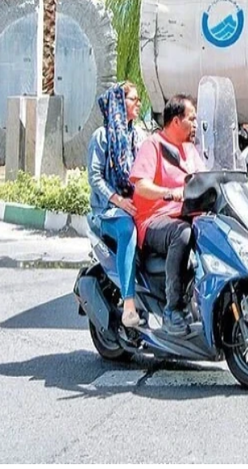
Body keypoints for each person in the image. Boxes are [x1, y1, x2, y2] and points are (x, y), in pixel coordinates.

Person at [129, 94, 205, 336]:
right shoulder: (153, 145)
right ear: (175, 121)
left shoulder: (190, 150)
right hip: (154, 220)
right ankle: (173, 310)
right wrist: (170, 193)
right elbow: (141, 186)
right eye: (191, 119)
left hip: (187, 215)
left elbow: (205, 178)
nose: (195, 124)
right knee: (181, 234)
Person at [87, 83, 147, 328]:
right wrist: (119, 200)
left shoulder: (138, 135)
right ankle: (129, 305)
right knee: (127, 230)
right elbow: (95, 177)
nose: (138, 103)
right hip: (108, 210)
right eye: (133, 99)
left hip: (137, 204)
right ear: (119, 104)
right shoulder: (101, 137)